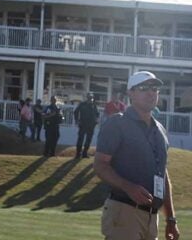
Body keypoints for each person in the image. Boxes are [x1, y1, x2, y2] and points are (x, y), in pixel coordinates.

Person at [94, 71, 180, 240]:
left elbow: (162, 175)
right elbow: (100, 165)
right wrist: (128, 187)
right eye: (143, 88)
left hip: (152, 217)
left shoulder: (160, 130)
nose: (151, 92)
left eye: (154, 88)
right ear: (130, 93)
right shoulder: (117, 123)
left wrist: (170, 218)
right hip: (124, 211)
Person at [74, 92, 99, 159]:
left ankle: (85, 153)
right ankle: (78, 154)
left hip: (91, 125)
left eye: (92, 97)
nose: (91, 99)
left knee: (88, 139)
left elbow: (97, 114)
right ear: (87, 97)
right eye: (89, 97)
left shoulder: (94, 105)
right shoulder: (82, 104)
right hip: (83, 124)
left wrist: (96, 120)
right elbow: (76, 112)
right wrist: (77, 120)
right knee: (80, 139)